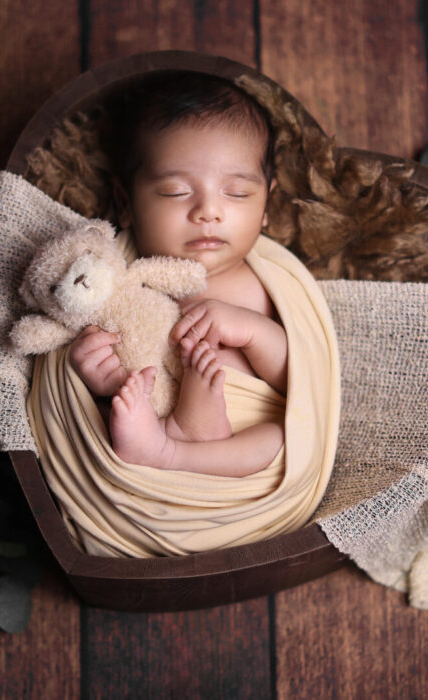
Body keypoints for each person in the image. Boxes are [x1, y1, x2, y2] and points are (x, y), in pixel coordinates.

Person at [67, 74, 287, 477]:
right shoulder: (121, 279)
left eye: (236, 193)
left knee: (284, 442)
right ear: (125, 202)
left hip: (237, 454)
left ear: (266, 202)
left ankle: (171, 454)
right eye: (175, 191)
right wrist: (102, 379)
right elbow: (132, 369)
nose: (208, 211)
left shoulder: (272, 284)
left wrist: (253, 330)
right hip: (153, 431)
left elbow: (302, 384)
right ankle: (160, 446)